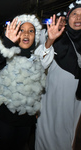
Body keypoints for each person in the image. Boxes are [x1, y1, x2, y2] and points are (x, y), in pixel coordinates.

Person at [0, 14, 46, 150]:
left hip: (27, 116)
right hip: (6, 114)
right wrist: (7, 43)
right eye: (21, 30)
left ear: (35, 36)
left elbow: (38, 87)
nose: (26, 34)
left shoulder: (37, 59)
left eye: (31, 31)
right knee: (6, 145)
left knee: (20, 145)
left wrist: (36, 107)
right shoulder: (7, 55)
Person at [34, 1, 81, 149]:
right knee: (48, 133)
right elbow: (39, 63)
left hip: (76, 101)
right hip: (52, 98)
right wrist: (50, 40)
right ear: (68, 17)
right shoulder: (56, 37)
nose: (78, 18)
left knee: (68, 134)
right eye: (74, 14)